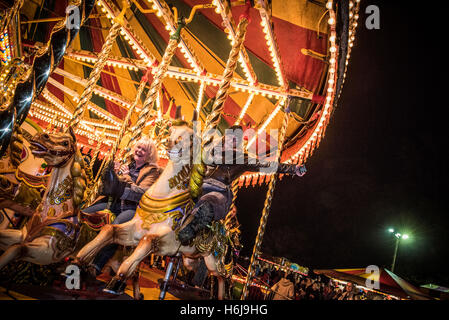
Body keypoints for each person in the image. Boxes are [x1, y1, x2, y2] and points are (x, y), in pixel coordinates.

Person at [177, 125, 307, 245]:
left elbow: (267, 165)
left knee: (208, 202)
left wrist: (292, 169)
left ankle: (192, 229)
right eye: (229, 137)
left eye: (234, 139)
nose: (230, 141)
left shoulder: (242, 158)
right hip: (200, 185)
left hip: (218, 190)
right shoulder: (211, 150)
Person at [82, 136, 161, 276]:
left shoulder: (152, 171)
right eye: (138, 147)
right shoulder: (127, 164)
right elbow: (112, 186)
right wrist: (115, 173)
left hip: (132, 208)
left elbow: (143, 193)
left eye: (144, 149)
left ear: (149, 155)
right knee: (85, 214)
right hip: (113, 202)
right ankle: (76, 250)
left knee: (114, 229)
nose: (139, 151)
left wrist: (127, 177)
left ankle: (96, 265)